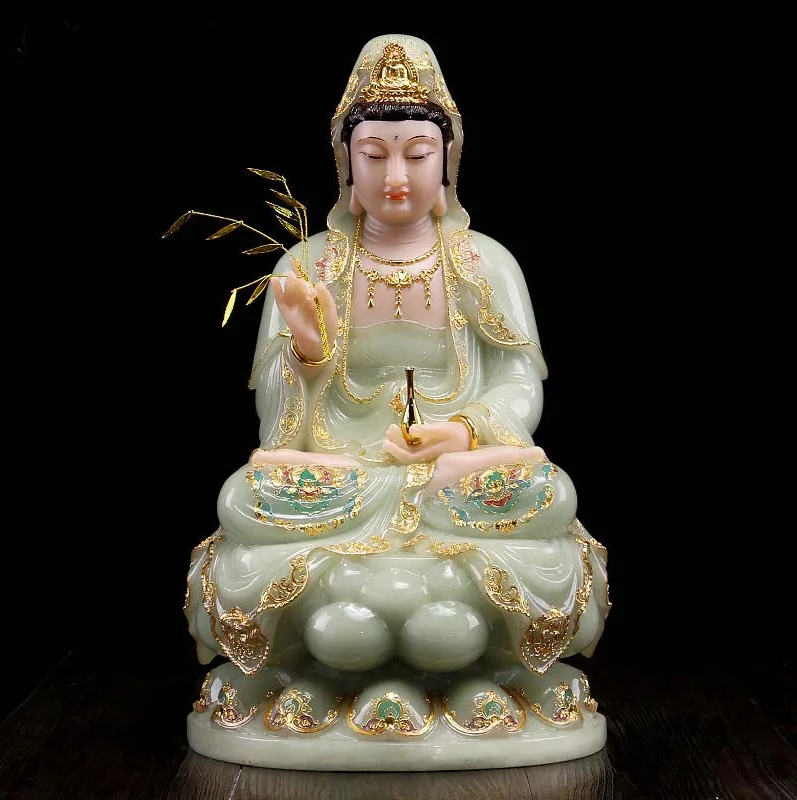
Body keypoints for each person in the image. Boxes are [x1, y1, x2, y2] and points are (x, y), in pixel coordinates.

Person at [185, 34, 610, 767]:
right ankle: (440, 657)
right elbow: (278, 430)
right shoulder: (309, 264)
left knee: (547, 492)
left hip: (454, 479)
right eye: (374, 153)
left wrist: (464, 432)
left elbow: (518, 384)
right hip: (345, 478)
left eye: (417, 153)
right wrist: (307, 352)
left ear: (448, 160)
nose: (396, 176)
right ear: (345, 162)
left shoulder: (485, 263)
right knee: (245, 498)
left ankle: (355, 656)